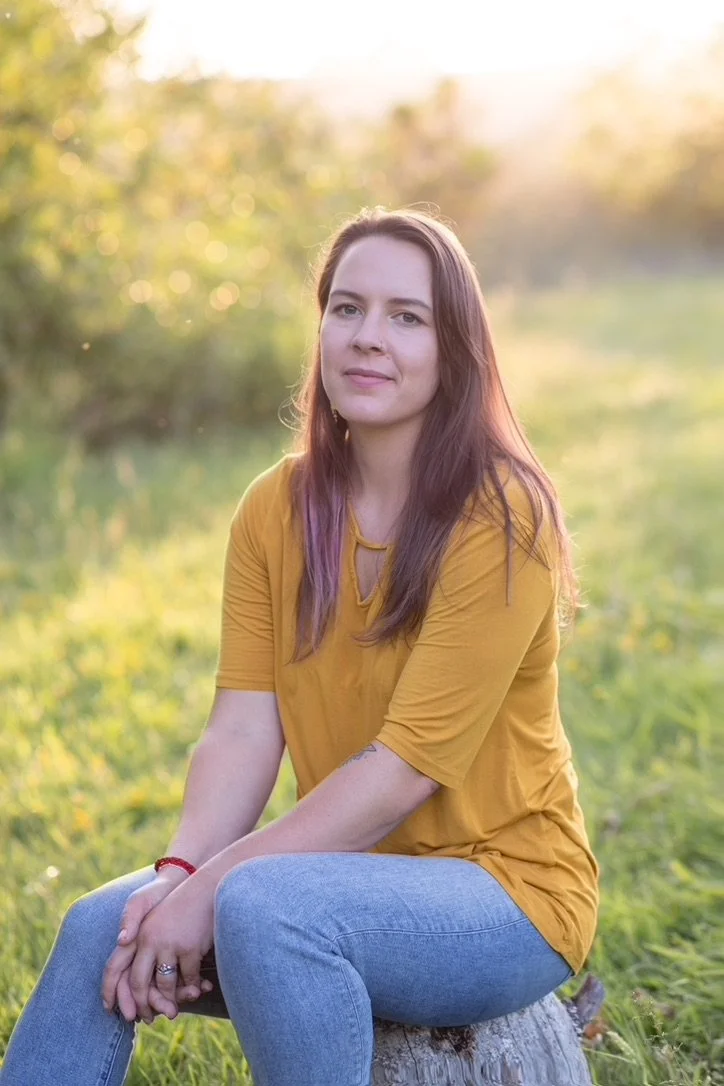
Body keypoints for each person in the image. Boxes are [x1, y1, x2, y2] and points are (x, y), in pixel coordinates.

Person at [0, 206, 599, 1086]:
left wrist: (213, 891)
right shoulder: (274, 509)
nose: (368, 338)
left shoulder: (501, 518)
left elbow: (403, 770)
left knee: (267, 907)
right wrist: (177, 874)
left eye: (407, 316)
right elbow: (243, 729)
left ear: (456, 350)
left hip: (506, 899)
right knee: (106, 921)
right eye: (346, 308)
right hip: (333, 880)